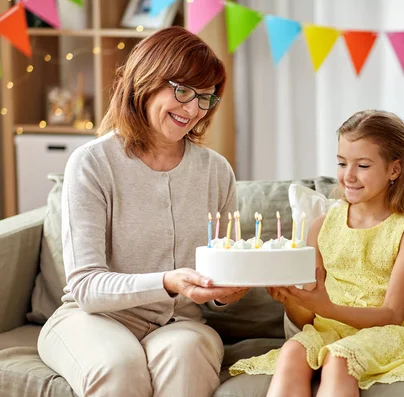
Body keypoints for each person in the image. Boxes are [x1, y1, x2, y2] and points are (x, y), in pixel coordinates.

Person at [37, 26, 248, 397]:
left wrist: (223, 293)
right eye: (182, 91)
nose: (192, 109)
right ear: (146, 80)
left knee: (189, 353)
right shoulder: (92, 163)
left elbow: (221, 273)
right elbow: (86, 286)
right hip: (93, 318)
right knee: (119, 365)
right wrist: (167, 282)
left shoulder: (216, 171)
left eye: (205, 98)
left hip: (179, 322)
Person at [229, 110, 404, 396]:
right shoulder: (321, 226)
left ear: (394, 169)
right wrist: (291, 300)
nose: (348, 176)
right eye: (342, 163)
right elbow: (307, 317)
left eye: (363, 165)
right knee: (292, 350)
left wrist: (326, 308)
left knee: (339, 358)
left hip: (387, 331)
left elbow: (393, 314)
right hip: (329, 329)